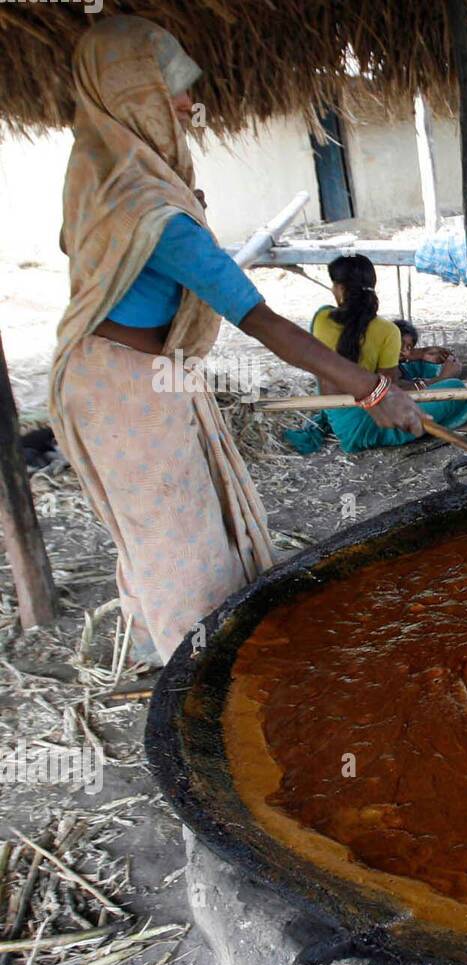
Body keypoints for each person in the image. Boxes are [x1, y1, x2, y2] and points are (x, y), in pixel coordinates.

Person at [50, 16, 423, 665]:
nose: (188, 103)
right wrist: (372, 391)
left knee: (151, 531)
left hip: (100, 374)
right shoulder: (156, 214)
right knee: (181, 544)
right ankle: (196, 673)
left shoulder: (97, 178)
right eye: (173, 88)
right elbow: (262, 321)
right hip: (127, 394)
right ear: (134, 97)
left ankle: (167, 645)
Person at [304, 257, 467, 454]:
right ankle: (450, 423)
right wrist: (440, 379)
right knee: (455, 387)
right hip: (374, 425)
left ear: (340, 288)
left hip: (340, 423)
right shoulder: (387, 330)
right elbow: (388, 393)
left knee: (416, 370)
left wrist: (417, 355)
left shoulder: (321, 318)